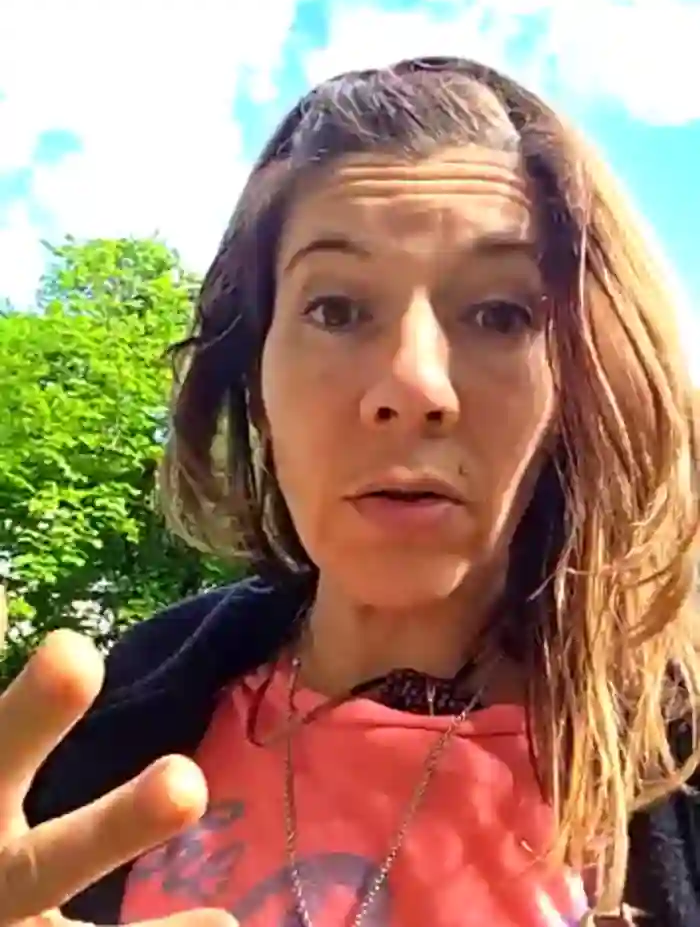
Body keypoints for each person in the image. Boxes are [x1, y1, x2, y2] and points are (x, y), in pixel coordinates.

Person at [0, 56, 698, 927]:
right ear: (255, 374)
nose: (413, 384)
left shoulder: (678, 757)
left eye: (500, 314)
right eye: (335, 309)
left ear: (582, 382)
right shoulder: (96, 737)